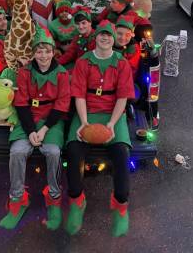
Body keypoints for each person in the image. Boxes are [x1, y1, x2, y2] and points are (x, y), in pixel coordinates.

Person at [65, 20, 135, 237]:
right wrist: (84, 123)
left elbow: (123, 98)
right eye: (101, 34)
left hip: (113, 114)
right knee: (73, 152)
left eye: (109, 35)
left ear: (114, 39)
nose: (105, 38)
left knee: (122, 154)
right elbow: (78, 95)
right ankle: (77, 202)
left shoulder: (121, 63)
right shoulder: (83, 62)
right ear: (96, 37)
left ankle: (120, 205)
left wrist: (112, 124)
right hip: (87, 112)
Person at [0, 26, 70, 230]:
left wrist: (44, 130)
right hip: (29, 119)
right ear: (33, 53)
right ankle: (17, 198)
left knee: (53, 152)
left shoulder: (62, 74)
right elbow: (21, 103)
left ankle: (54, 196)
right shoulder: (25, 72)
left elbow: (62, 104)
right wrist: (30, 130)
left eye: (47, 51)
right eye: (39, 51)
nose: (44, 55)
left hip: (51, 121)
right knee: (18, 151)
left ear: (53, 51)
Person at [56, 5, 95, 70]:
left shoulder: (96, 38)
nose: (80, 27)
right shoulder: (78, 37)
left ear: (90, 23)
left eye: (83, 23)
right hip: (78, 66)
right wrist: (56, 63)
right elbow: (70, 53)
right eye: (78, 24)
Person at [114, 15, 141, 80]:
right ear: (114, 32)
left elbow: (130, 69)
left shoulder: (133, 49)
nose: (123, 38)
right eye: (119, 33)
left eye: (127, 35)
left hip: (124, 79)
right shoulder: (107, 43)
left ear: (131, 35)